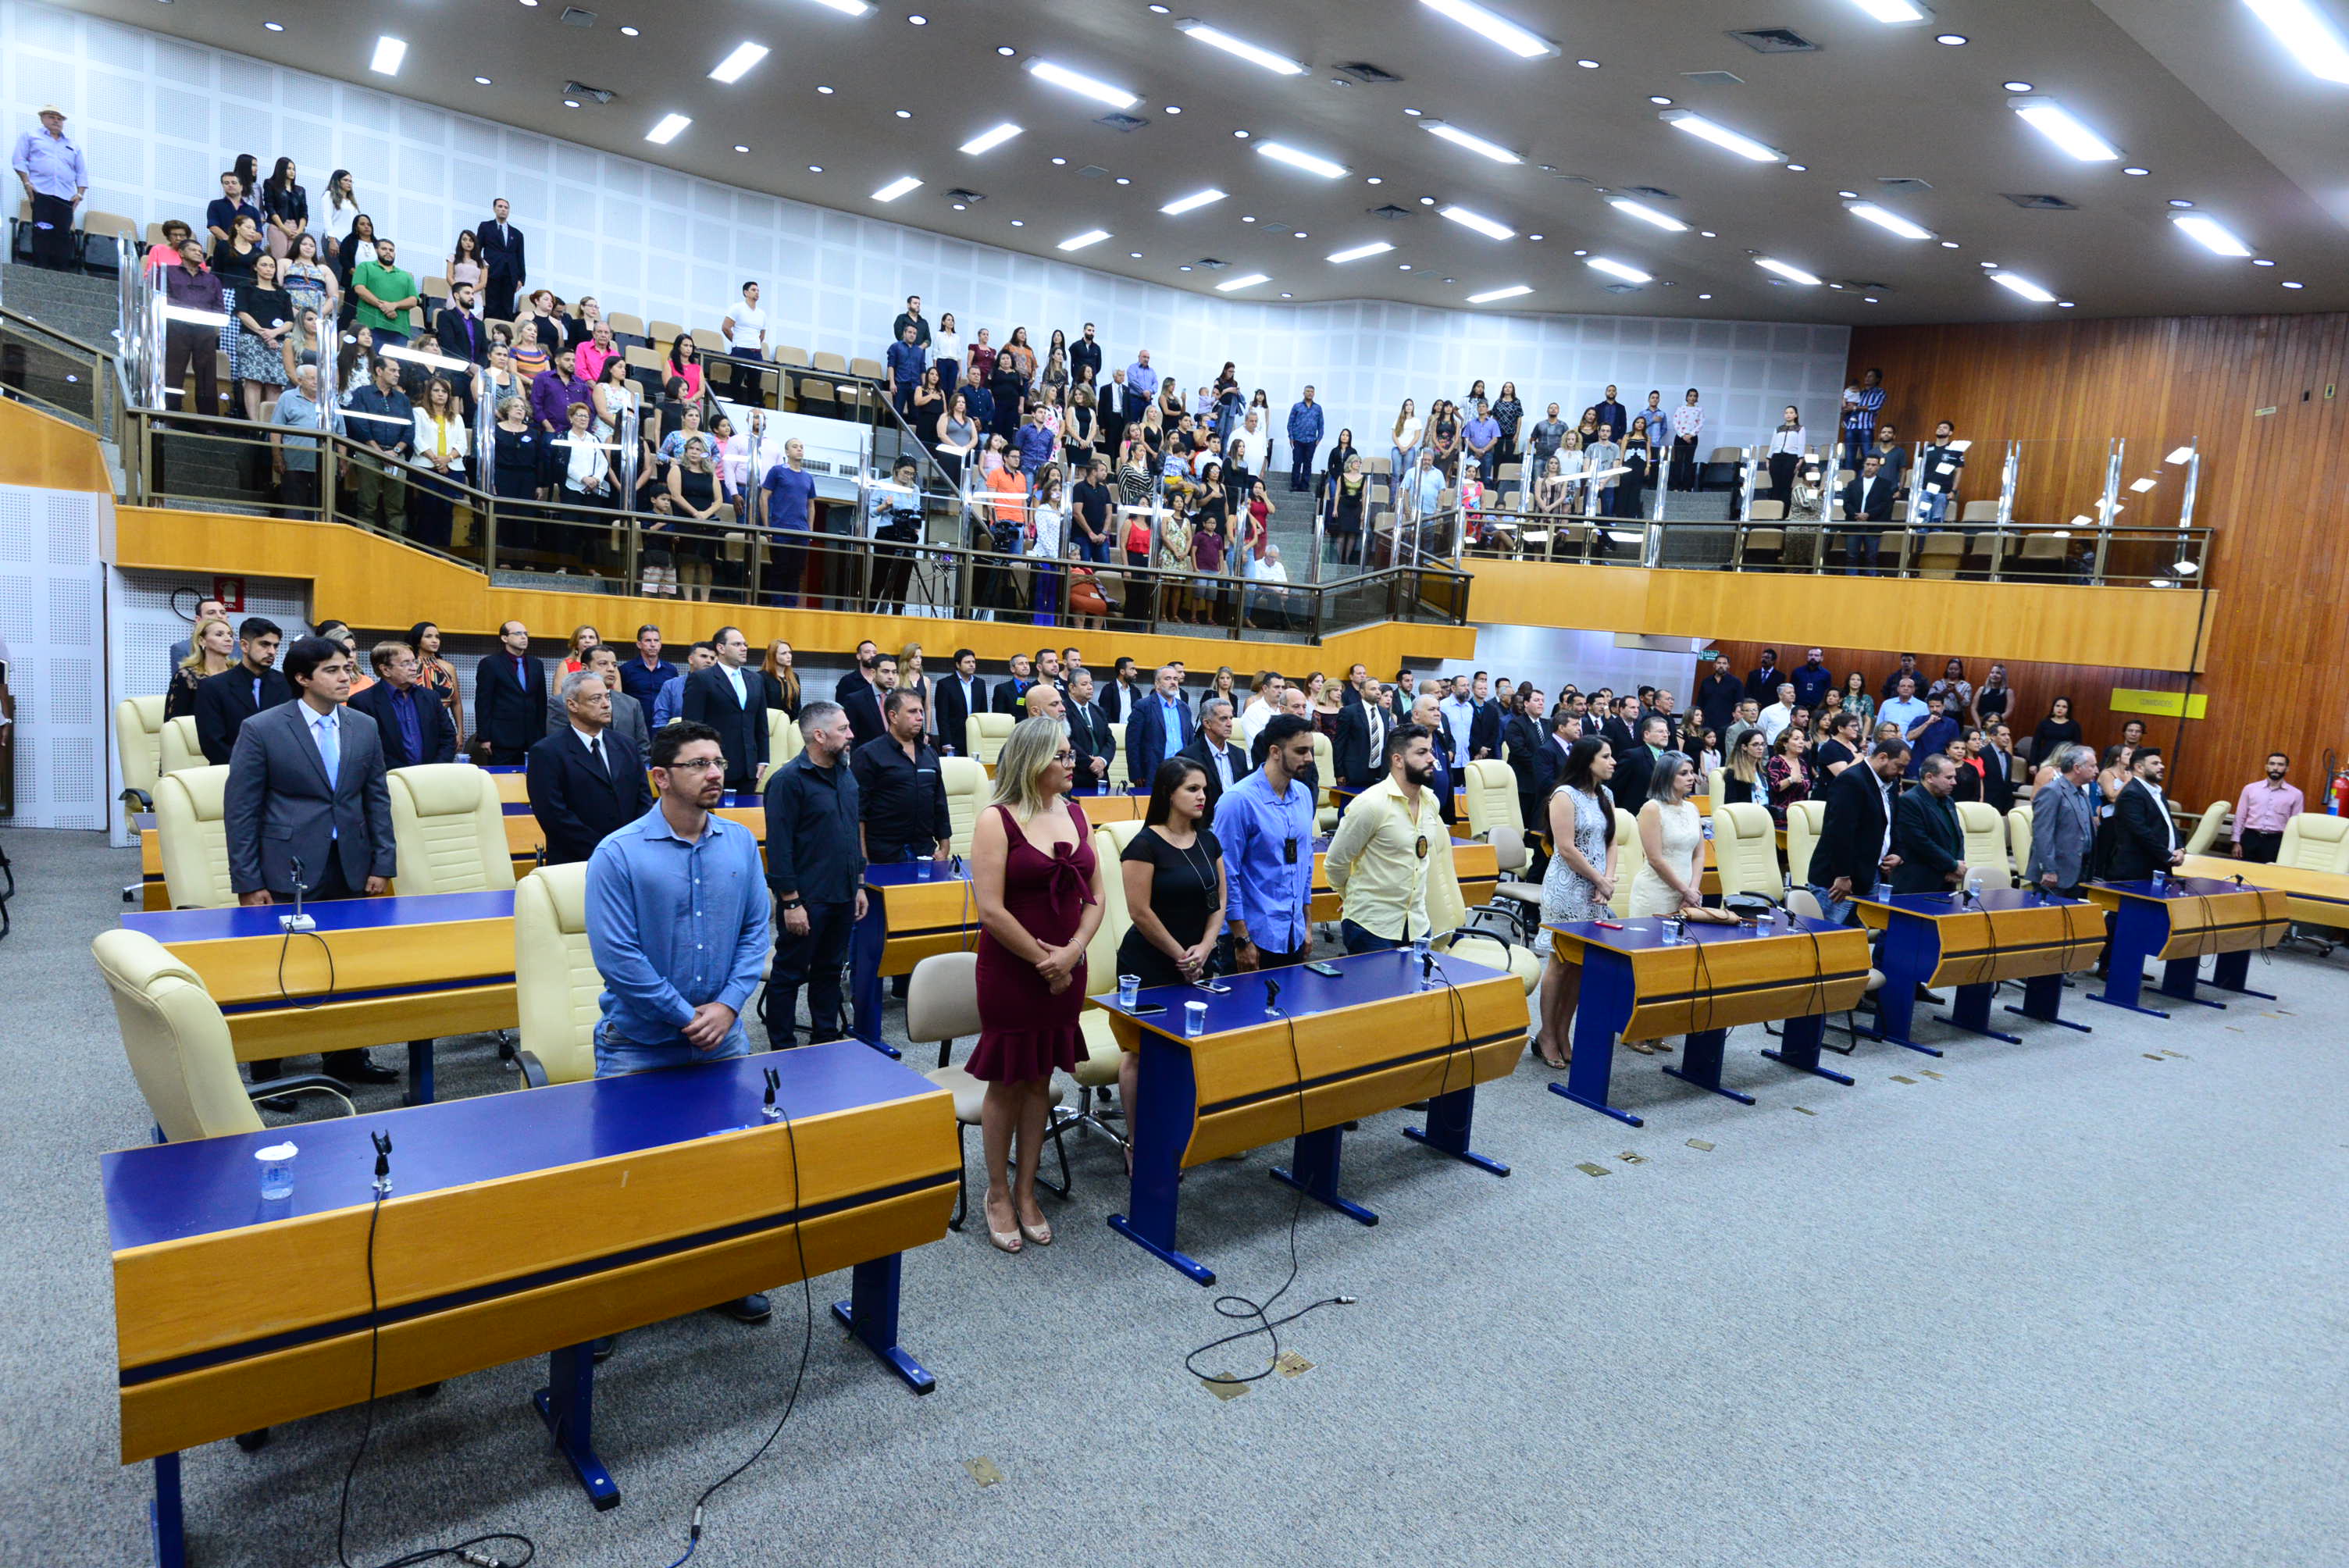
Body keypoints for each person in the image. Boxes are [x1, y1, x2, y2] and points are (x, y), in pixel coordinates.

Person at [581, 721, 771, 1320]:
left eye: (719, 762)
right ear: (661, 777)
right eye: (699, 764)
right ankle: (612, 1300)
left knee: (721, 1167)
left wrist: (729, 1005)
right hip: (639, 1043)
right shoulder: (618, 854)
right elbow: (618, 958)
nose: (716, 774)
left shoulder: (740, 843)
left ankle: (718, 1278)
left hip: (723, 1037)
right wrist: (687, 1015)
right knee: (629, 1177)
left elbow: (755, 931)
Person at [225, 635, 400, 1084]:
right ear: (303, 678)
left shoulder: (364, 725)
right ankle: (269, 1066)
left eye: (347, 669)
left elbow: (377, 798)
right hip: (288, 866)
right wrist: (248, 881)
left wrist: (383, 863)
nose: (345, 678)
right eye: (333, 671)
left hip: (351, 863)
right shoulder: (263, 728)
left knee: (346, 962)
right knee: (283, 965)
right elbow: (242, 811)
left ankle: (346, 1056)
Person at [968, 718, 1106, 1253]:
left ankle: (1027, 1189)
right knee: (1008, 1078)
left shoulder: (1077, 812)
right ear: (1032, 761)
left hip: (1068, 966)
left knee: (1040, 1077)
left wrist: (1072, 952)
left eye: (1072, 754)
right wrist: (1046, 961)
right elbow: (991, 910)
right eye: (1062, 756)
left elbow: (1096, 896)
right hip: (1012, 971)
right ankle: (998, 1192)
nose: (1073, 763)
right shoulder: (996, 819)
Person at [755, 700, 868, 1049]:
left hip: (843, 892)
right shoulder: (787, 781)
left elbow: (852, 834)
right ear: (819, 735)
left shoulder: (846, 775)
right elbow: (779, 848)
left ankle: (824, 1040)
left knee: (830, 971)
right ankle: (782, 1048)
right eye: (843, 729)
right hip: (806, 899)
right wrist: (791, 903)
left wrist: (860, 884)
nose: (851, 735)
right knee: (789, 974)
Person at [1535, 736, 1619, 1068]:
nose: (1613, 762)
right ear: (1587, 760)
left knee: (1581, 964)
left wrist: (1606, 880)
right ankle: (1546, 1035)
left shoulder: (1605, 795)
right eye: (1606, 756)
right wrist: (1599, 879)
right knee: (1560, 962)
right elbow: (1566, 848)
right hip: (1567, 888)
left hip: (1596, 890)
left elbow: (1612, 842)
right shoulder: (1563, 795)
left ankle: (1563, 1032)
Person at [1324, 723, 1441, 955]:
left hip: (1417, 924)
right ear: (1398, 760)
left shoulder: (1431, 801)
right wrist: (1351, 897)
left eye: (1430, 751)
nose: (1431, 759)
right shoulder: (1371, 804)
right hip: (1372, 927)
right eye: (1421, 752)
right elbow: (1335, 862)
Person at [1218, 715, 1319, 971]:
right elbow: (1227, 874)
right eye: (1301, 751)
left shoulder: (1304, 795)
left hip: (1292, 933)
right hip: (1253, 935)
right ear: (1275, 752)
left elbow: (1305, 864)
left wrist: (1307, 924)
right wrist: (1241, 939)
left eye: (1311, 750)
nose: (1309, 758)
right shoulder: (1238, 801)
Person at [526, 667, 654, 865]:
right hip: (576, 862)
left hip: (629, 856)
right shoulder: (547, 752)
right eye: (596, 699)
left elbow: (643, 799)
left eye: (607, 697)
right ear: (572, 705)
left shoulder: (627, 745)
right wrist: (605, 851)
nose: (606, 704)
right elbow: (554, 816)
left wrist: (629, 844)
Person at [1805, 739, 1909, 926]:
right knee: (1828, 937)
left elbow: (1893, 824)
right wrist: (1843, 875)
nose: (1901, 772)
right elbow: (1839, 831)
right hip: (1837, 881)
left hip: (1870, 875)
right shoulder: (1851, 780)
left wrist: (1897, 852)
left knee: (1860, 938)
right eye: (1899, 766)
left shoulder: (1891, 783)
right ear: (1883, 757)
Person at [854, 687, 952, 868]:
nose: (920, 717)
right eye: (912, 711)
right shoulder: (868, 754)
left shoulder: (929, 754)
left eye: (921, 711)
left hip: (925, 853)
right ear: (893, 716)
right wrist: (863, 860)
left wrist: (944, 846)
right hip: (883, 856)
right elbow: (858, 812)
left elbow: (939, 802)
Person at [682, 625, 769, 792]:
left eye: (745, 645)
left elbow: (761, 723)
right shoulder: (701, 679)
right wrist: (700, 762)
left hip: (749, 768)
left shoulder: (756, 679)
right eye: (737, 644)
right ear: (721, 648)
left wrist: (763, 760)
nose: (744, 648)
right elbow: (692, 727)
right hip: (714, 766)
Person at [193, 616, 291, 764]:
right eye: (264, 644)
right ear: (244, 646)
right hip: (231, 769)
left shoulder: (287, 684)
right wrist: (249, 767)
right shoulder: (213, 687)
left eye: (275, 646)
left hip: (281, 768)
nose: (272, 651)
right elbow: (212, 743)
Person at [350, 640, 456, 768]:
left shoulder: (431, 697)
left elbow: (448, 737)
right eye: (405, 664)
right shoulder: (363, 702)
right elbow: (367, 748)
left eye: (414, 662)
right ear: (385, 670)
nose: (414, 668)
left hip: (432, 774)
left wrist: (435, 769)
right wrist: (403, 774)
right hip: (390, 776)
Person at [340, 353, 413, 533]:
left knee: (396, 506)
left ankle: (396, 542)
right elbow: (360, 425)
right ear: (379, 371)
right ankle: (365, 541)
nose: (397, 374)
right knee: (367, 504)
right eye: (393, 370)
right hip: (369, 453)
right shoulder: (362, 394)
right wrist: (378, 451)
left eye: (398, 371)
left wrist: (396, 451)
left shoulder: (403, 399)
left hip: (396, 455)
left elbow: (410, 429)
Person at [12, 104, 87, 270]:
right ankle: (40, 269)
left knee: (63, 234)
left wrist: (80, 194)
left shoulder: (73, 145)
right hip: (41, 192)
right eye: (52, 117)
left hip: (65, 196)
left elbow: (81, 172)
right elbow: (19, 160)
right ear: (42, 118)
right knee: (42, 230)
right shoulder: (31, 136)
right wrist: (27, 183)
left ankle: (62, 273)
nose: (56, 121)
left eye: (60, 118)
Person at [160, 237, 226, 419]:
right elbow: (162, 297)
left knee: (207, 376)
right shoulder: (167, 272)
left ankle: (209, 421)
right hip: (176, 327)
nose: (199, 253)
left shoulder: (212, 280)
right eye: (193, 250)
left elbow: (219, 307)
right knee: (173, 372)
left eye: (200, 251)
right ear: (181, 253)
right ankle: (169, 416)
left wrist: (203, 315)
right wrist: (189, 309)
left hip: (204, 330)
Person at [2026, 744, 2100, 897]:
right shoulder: (2051, 791)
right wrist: (2049, 870)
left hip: (2079, 871)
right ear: (2077, 768)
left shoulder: (2082, 793)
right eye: (2092, 766)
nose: (2097, 770)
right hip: (2055, 876)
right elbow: (2042, 834)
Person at [268, 360, 340, 517]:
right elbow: (275, 430)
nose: (316, 382)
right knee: (294, 508)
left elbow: (341, 434)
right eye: (311, 378)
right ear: (300, 381)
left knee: (324, 509)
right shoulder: (287, 397)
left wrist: (343, 462)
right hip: (294, 462)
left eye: (318, 378)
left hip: (325, 465)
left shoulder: (330, 400)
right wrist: (277, 456)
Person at [474, 619, 547, 764]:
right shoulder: (490, 664)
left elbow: (541, 702)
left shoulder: (536, 664)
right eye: (518, 633)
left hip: (532, 739)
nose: (524, 637)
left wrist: (541, 736)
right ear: (504, 638)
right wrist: (484, 737)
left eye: (526, 634)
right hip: (502, 739)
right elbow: (483, 703)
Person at [2106, 748, 2185, 882]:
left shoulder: (2157, 791)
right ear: (2139, 768)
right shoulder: (2131, 793)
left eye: (2161, 763)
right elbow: (2140, 832)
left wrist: (2180, 848)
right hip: (2136, 870)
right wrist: (2168, 856)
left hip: (2159, 865)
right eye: (2155, 763)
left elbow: (2168, 823)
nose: (2162, 767)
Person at [1177, 697, 1249, 825]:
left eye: (1231, 718)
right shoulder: (1189, 757)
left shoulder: (1239, 754)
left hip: (1237, 823)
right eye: (1223, 719)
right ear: (1207, 723)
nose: (1230, 724)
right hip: (1205, 825)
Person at [1125, 662, 1197, 786]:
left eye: (1175, 679)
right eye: (1168, 679)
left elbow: (1190, 741)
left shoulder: (1184, 708)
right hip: (1153, 772)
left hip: (1182, 772)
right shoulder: (1143, 706)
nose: (1173, 682)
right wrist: (1136, 774)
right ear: (1157, 684)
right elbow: (1133, 743)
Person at [1502, 686, 1555, 838]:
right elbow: (1519, 751)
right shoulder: (1517, 724)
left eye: (1543, 701)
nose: (1541, 703)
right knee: (1523, 826)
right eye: (1537, 700)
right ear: (1526, 703)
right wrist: (1541, 766)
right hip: (1524, 783)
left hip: (1543, 783)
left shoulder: (1548, 724)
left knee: (1539, 826)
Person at [2232, 753, 2303, 863]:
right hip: (2250, 837)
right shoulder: (2250, 789)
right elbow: (2240, 817)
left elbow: (2296, 825)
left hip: (2276, 841)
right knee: (2241, 870)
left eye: (2280, 765)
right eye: (2272, 764)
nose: (2275, 768)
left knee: (2268, 873)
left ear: (2287, 769)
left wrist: (2290, 849)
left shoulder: (2296, 794)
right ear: (2266, 767)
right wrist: (2236, 842)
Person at [167, 615, 238, 722]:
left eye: (230, 635)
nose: (228, 639)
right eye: (219, 634)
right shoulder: (187, 676)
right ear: (202, 641)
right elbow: (172, 722)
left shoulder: (239, 673)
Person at [1837, 456, 1897, 575]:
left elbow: (1885, 504)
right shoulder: (1852, 484)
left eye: (1873, 465)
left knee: (1871, 557)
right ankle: (1850, 581)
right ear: (1864, 465)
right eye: (1868, 464)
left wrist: (1868, 515)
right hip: (1854, 524)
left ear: (1878, 467)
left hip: (1873, 525)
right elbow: (1847, 503)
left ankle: (1870, 582)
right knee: (1851, 557)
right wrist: (1856, 515)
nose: (1870, 467)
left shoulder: (1885, 484)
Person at [1063, 668, 1117, 792]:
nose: (1090, 687)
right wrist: (1090, 763)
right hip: (1077, 776)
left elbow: (1110, 741)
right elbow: (1067, 741)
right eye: (1084, 684)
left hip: (1101, 776)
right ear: (1072, 688)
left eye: (1091, 684)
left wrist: (1102, 761)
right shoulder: (1063, 710)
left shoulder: (1099, 711)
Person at [476, 198, 527, 323]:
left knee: (507, 309)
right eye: (500, 206)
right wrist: (479, 271)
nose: (503, 209)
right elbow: (477, 250)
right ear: (494, 209)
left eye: (506, 207)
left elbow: (520, 257)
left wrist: (521, 278)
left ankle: (505, 333)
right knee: (491, 306)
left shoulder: (517, 234)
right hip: (492, 272)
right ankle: (489, 332)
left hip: (510, 275)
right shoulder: (485, 227)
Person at [1916, 419, 1967, 527]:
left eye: (1944, 428)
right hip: (1925, 490)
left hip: (1943, 492)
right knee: (1921, 521)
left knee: (1937, 521)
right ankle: (1920, 539)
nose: (1941, 429)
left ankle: (1935, 539)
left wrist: (1953, 491)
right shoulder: (1926, 448)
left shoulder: (1955, 450)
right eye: (1939, 427)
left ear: (1950, 433)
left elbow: (1958, 472)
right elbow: (1918, 469)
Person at [654, 642, 716, 729]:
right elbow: (660, 721)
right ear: (691, 659)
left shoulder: (720, 687)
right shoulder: (671, 686)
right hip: (676, 736)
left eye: (712, 658)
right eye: (704, 656)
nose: (709, 661)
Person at [1615, 712, 1671, 808]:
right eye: (1660, 732)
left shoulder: (1670, 758)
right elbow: (1616, 788)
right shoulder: (1632, 756)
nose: (1665, 735)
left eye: (1667, 732)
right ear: (1646, 734)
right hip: (1637, 812)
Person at [1720, 726, 1768, 807]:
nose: (1760, 748)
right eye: (1755, 744)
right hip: (1746, 813)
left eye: (1762, 744)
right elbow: (1730, 804)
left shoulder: (1764, 770)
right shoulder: (1733, 772)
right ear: (1744, 747)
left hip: (1768, 813)